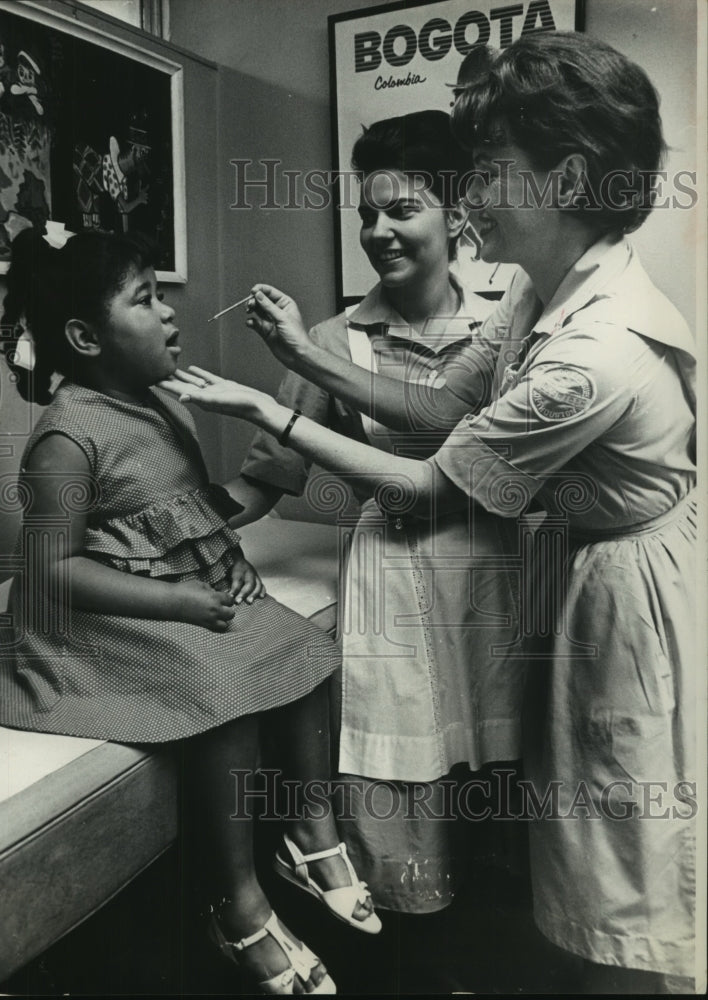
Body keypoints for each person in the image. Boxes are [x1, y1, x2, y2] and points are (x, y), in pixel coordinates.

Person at [162, 32, 698, 994]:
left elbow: (423, 479)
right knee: (575, 834)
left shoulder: (592, 351)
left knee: (625, 852)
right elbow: (439, 411)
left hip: (615, 589)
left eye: (482, 174)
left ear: (562, 177)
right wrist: (292, 377)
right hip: (558, 567)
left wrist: (265, 402)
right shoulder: (545, 288)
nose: (469, 196)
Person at [0, 226, 383, 997]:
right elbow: (52, 570)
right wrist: (179, 599)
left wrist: (223, 566)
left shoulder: (161, 407)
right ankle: (236, 903)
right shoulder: (66, 436)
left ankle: (310, 832)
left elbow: (181, 516)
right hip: (84, 620)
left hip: (161, 589)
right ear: (85, 336)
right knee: (226, 694)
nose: (171, 312)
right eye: (145, 299)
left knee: (302, 652)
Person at [224, 109, 525, 914]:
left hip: (499, 568)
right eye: (366, 213)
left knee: (503, 763)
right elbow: (263, 483)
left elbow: (471, 430)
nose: (379, 231)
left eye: (402, 210)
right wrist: (165, 531)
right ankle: (410, 936)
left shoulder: (506, 317)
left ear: (456, 212)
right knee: (402, 759)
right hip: (393, 579)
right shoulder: (331, 337)